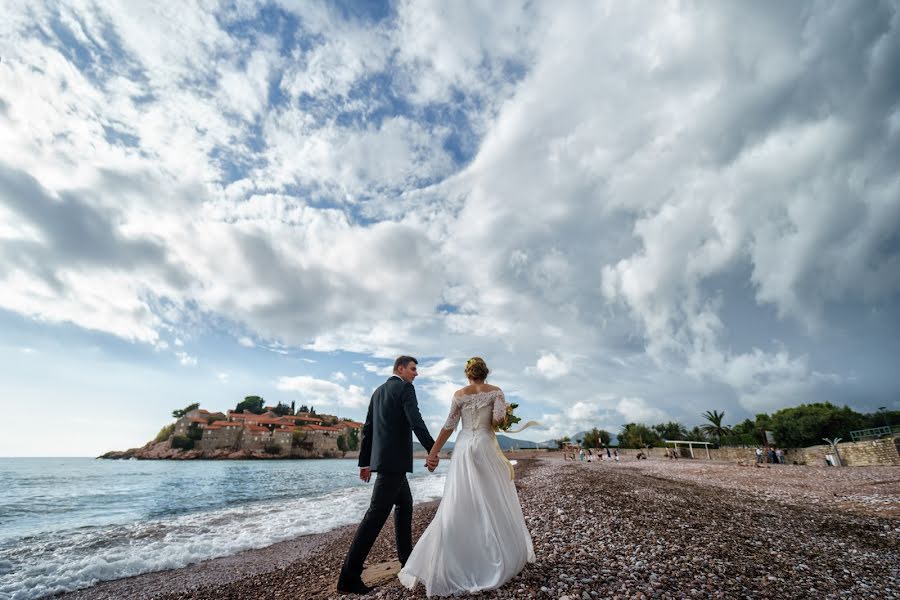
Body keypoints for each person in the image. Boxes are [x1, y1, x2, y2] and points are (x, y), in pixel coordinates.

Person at [398, 357, 535, 596]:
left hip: (463, 447)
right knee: (491, 496)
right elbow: (497, 421)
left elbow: (449, 426)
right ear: (486, 373)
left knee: (460, 499)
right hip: (484, 445)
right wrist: (503, 417)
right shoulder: (496, 392)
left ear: (467, 374)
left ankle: (455, 557)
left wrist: (433, 452)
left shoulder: (459, 394)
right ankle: (495, 551)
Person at [337, 356, 437, 595]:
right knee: (375, 515)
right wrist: (432, 449)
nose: (416, 373)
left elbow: (368, 429)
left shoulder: (378, 392)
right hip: (393, 464)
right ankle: (348, 576)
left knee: (405, 505)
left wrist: (365, 462)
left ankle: (406, 561)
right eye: (413, 369)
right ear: (400, 369)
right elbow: (416, 421)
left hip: (388, 463)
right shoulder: (405, 388)